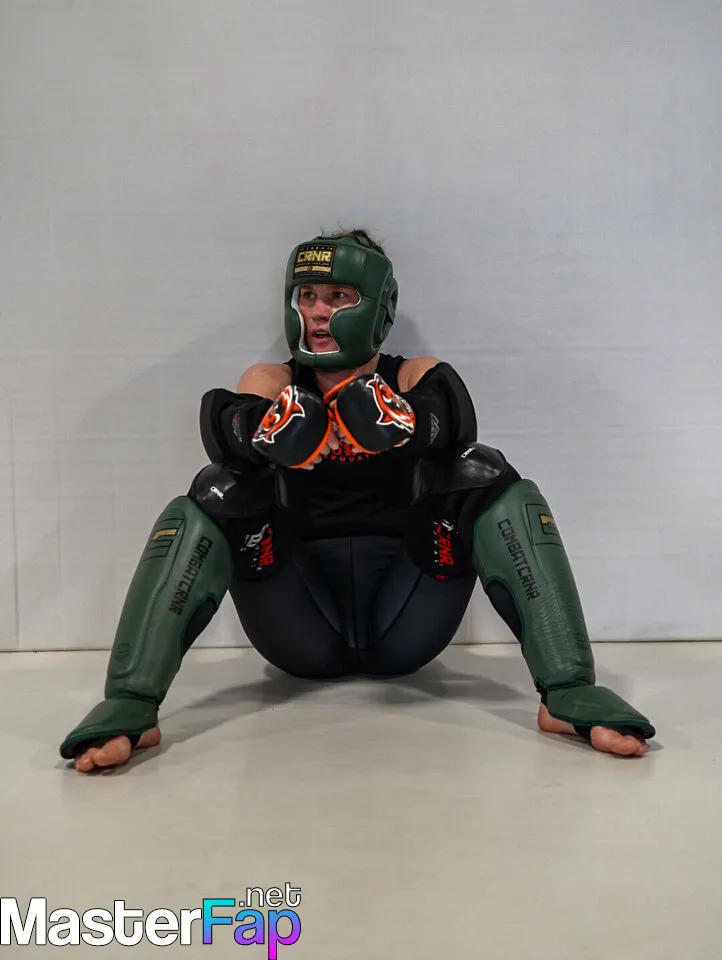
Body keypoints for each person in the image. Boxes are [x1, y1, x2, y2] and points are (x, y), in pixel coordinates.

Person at [59, 228, 655, 772]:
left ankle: (568, 689)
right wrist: (270, 429)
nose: (319, 312)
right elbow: (228, 423)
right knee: (219, 488)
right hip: (298, 621)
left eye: (339, 296)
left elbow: (453, 413)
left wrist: (397, 419)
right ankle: (132, 702)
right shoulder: (272, 380)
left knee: (485, 473)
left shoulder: (411, 374)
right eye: (308, 296)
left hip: (407, 614)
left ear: (379, 307)